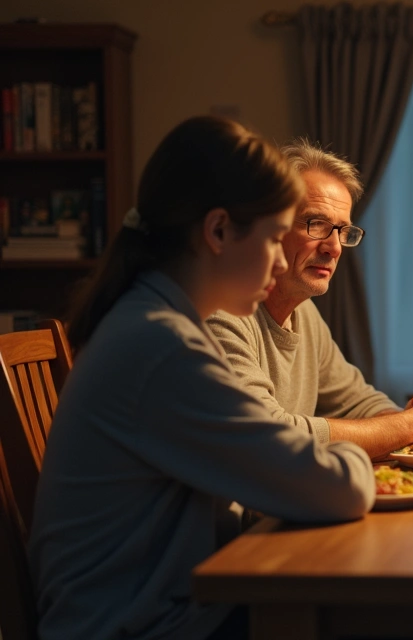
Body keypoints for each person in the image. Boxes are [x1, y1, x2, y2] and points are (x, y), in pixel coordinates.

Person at [29, 116, 375, 640]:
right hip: (140, 627)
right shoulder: (163, 348)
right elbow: (337, 488)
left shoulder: (152, 322)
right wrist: (353, 453)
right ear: (218, 232)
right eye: (273, 235)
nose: (279, 259)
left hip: (165, 609)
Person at [206, 139, 413, 460]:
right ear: (274, 224)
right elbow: (267, 434)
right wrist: (408, 427)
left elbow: (358, 401)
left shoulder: (305, 313)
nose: (334, 247)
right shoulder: (222, 311)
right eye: (317, 225)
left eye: (343, 231)